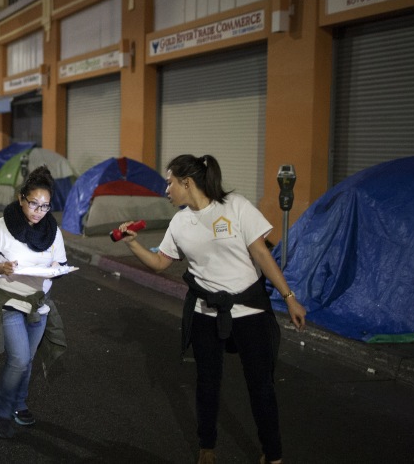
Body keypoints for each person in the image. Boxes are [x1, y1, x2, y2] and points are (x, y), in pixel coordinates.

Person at [115, 154, 306, 464]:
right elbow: (160, 263)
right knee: (207, 382)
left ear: (186, 183)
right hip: (205, 313)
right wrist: (132, 244)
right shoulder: (180, 222)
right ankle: (207, 448)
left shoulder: (236, 205)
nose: (166, 190)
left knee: (260, 386)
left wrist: (289, 297)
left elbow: (261, 253)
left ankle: (273, 454)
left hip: (250, 311)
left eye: (169, 183)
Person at [0, 165, 68, 439]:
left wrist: (57, 267)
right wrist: (2, 267)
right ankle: (1, 409)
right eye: (34, 204)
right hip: (9, 301)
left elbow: (61, 263)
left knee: (27, 360)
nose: (39, 211)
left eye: (45, 206)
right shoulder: (1, 227)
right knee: (17, 358)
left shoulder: (52, 231)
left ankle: (19, 404)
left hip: (38, 305)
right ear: (21, 199)